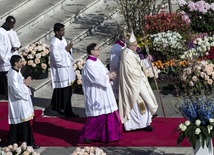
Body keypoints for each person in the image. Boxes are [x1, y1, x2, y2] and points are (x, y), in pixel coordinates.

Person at [78, 43, 122, 144]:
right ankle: (87, 135)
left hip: (103, 92)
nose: (99, 50)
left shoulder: (96, 61)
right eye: (97, 49)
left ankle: (106, 135)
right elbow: (96, 79)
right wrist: (108, 77)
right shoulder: (89, 64)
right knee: (96, 116)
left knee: (106, 114)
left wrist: (110, 74)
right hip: (96, 93)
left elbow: (104, 72)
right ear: (92, 51)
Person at [118, 30, 158, 131]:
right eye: (135, 45)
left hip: (139, 81)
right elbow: (130, 71)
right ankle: (136, 125)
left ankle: (144, 123)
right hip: (133, 84)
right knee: (138, 104)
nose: (136, 46)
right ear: (129, 45)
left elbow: (137, 64)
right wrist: (140, 71)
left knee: (144, 101)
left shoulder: (132, 52)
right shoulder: (126, 54)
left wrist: (144, 63)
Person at [6, 55, 39, 149]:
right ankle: (28, 143)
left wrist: (24, 83)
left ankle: (16, 140)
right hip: (18, 102)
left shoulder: (17, 72)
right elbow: (16, 90)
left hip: (22, 101)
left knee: (21, 122)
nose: (22, 63)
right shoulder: (12, 75)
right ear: (15, 63)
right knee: (24, 123)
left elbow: (20, 84)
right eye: (20, 62)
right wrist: (25, 86)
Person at [49, 23, 79, 118]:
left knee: (66, 90)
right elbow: (55, 57)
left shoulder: (63, 39)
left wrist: (69, 50)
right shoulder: (54, 42)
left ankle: (57, 106)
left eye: (64, 29)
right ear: (56, 32)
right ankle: (68, 111)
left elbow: (67, 52)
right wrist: (66, 50)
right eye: (62, 30)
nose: (63, 32)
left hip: (67, 68)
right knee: (65, 91)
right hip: (61, 70)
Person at [0, 16, 20, 98]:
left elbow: (15, 41)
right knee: (6, 82)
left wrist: (18, 45)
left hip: (12, 56)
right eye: (12, 24)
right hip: (6, 59)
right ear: (7, 23)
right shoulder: (1, 32)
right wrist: (11, 48)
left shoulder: (11, 30)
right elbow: (1, 47)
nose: (13, 26)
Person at [109, 33, 126, 101]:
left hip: (123, 73)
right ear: (122, 38)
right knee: (118, 96)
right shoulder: (116, 47)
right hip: (117, 73)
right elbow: (114, 63)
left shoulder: (124, 45)